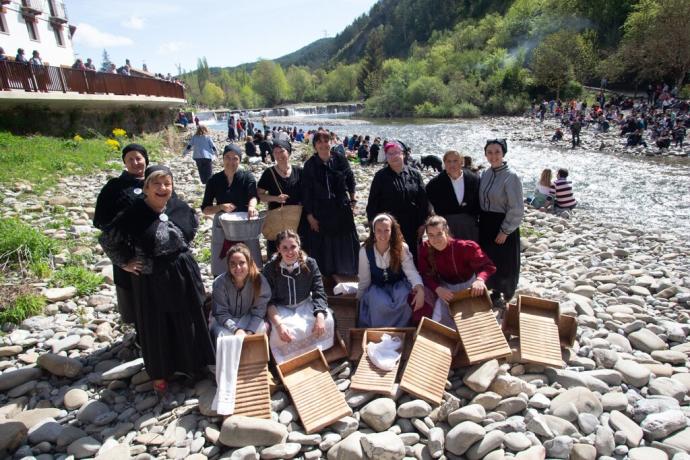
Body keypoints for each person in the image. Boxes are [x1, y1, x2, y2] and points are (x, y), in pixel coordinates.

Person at [99, 165, 214, 393]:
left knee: (188, 317)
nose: (162, 188)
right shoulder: (135, 212)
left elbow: (191, 227)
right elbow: (107, 240)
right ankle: (162, 371)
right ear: (146, 187)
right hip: (152, 277)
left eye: (167, 183)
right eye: (157, 184)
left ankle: (192, 365)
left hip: (182, 272)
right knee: (157, 324)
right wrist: (125, 262)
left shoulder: (177, 206)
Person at [93, 144, 149, 326]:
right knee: (134, 297)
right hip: (129, 252)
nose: (135, 163)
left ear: (146, 159)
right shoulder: (114, 187)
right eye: (130, 159)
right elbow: (101, 221)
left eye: (138, 158)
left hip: (154, 252)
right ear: (124, 163)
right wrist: (123, 260)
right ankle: (140, 336)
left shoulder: (156, 181)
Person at [263, 230, 334, 363]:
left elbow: (319, 292)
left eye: (293, 247)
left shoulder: (310, 264)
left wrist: (319, 315)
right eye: (285, 248)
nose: (289, 252)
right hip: (281, 309)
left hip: (305, 304)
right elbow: (268, 301)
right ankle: (290, 361)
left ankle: (316, 354)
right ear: (278, 249)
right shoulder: (270, 269)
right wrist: (279, 325)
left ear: (299, 246)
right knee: (283, 332)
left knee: (327, 320)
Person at [418, 216, 496, 327]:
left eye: (439, 234)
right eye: (431, 235)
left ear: (446, 231)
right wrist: (437, 288)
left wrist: (480, 280)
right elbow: (424, 273)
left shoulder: (466, 247)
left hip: (470, 288)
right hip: (445, 290)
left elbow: (488, 266)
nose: (435, 240)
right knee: (439, 323)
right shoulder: (425, 248)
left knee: (475, 323)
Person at [302, 131, 359, 276]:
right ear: (315, 145)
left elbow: (350, 179)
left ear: (331, 142)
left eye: (325, 141)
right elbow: (306, 192)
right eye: (319, 142)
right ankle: (326, 277)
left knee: (345, 241)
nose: (323, 145)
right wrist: (309, 216)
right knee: (324, 246)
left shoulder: (340, 159)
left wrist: (353, 200)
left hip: (341, 209)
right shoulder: (310, 165)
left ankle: (347, 273)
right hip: (321, 212)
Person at [366, 140, 430, 263]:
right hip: (389, 226)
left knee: (413, 258)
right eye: (389, 154)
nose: (393, 156)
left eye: (396, 152)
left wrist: (423, 223)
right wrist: (374, 227)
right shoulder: (380, 176)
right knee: (392, 258)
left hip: (412, 225)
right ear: (386, 157)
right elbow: (372, 204)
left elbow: (423, 201)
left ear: (403, 154)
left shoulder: (415, 174)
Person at [357, 214, 425, 328]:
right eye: (379, 230)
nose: (382, 234)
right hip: (377, 287)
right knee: (379, 303)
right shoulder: (365, 251)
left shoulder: (401, 247)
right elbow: (364, 280)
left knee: (404, 299)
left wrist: (420, 289)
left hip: (398, 285)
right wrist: (358, 299)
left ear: (392, 231)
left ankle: (402, 331)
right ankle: (380, 332)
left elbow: (411, 271)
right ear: (373, 231)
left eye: (386, 230)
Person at [478, 139, 523, 308]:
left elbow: (517, 207)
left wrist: (505, 230)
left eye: (497, 152)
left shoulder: (511, 176)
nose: (493, 156)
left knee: (504, 261)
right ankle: (490, 288)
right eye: (489, 152)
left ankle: (503, 292)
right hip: (486, 222)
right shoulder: (486, 173)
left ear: (503, 153)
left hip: (502, 222)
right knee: (489, 258)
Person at [201, 144, 259, 277]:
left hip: (244, 223)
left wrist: (251, 207)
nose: (231, 162)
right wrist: (220, 207)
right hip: (222, 226)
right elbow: (205, 209)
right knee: (223, 263)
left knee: (248, 260)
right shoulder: (214, 180)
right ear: (222, 159)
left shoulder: (247, 177)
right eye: (228, 157)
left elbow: (253, 196)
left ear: (239, 160)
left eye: (235, 158)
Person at [257, 139, 305, 256]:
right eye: (275, 152)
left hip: (297, 218)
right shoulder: (269, 173)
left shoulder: (299, 171)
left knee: (297, 248)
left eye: (281, 151)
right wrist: (276, 198)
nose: (279, 155)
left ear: (288, 152)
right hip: (277, 217)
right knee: (277, 248)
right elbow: (259, 195)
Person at [211, 243, 270, 338]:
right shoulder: (220, 283)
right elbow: (220, 313)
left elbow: (259, 310)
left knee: (259, 331)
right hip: (225, 321)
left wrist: (250, 331)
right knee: (225, 338)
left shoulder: (259, 281)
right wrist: (235, 329)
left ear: (249, 263)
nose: (237, 268)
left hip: (249, 317)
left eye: (242, 263)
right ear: (228, 265)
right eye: (233, 263)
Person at [425, 150, 480, 242]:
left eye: (455, 161)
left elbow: (479, 202)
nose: (452, 164)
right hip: (446, 227)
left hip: (470, 226)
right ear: (444, 163)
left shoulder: (474, 179)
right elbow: (428, 207)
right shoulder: (434, 184)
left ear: (461, 162)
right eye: (448, 161)